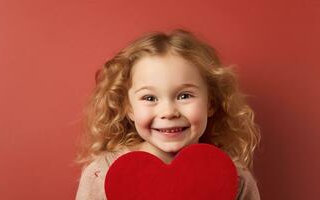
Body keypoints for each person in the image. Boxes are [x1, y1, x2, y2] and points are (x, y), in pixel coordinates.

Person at [75, 29, 261, 200]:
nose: (168, 112)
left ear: (210, 103)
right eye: (149, 98)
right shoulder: (103, 173)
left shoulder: (234, 178)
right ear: (128, 108)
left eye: (184, 95)